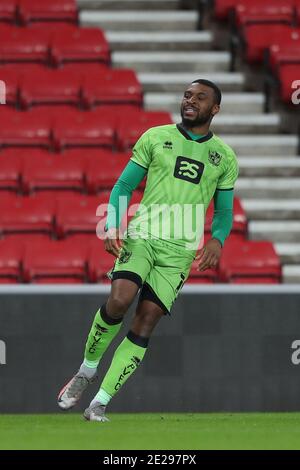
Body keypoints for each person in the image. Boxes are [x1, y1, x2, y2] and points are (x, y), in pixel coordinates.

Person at [58, 79, 239, 422]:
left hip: (180, 252)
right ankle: (86, 369)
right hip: (143, 235)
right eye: (187, 95)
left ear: (214, 109)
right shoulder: (155, 137)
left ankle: (99, 402)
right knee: (120, 300)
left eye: (200, 98)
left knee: (146, 321)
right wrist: (113, 224)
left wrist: (217, 239)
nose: (190, 101)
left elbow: (225, 211)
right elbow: (124, 185)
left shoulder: (224, 158)